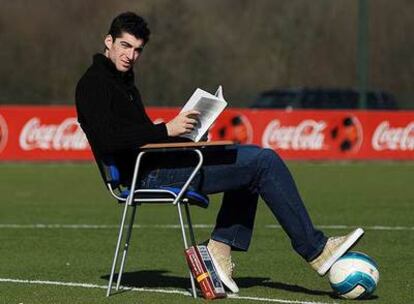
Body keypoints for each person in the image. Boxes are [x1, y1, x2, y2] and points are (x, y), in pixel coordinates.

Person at [75, 12, 364, 293]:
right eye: (125, 45)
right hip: (146, 175)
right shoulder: (93, 84)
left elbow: (140, 138)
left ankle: (219, 249)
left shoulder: (125, 84)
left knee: (247, 155)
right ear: (109, 42)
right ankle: (316, 250)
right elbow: (108, 140)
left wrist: (188, 136)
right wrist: (166, 130)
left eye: (138, 50)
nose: (131, 55)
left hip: (157, 165)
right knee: (263, 162)